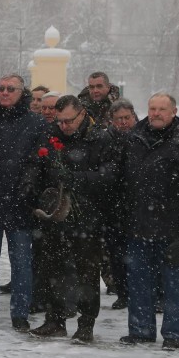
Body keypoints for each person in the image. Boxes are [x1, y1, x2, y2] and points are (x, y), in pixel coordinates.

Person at [24, 95, 117, 344]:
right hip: (55, 214)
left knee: (87, 273)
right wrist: (32, 188)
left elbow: (110, 176)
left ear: (82, 113)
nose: (64, 126)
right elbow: (37, 164)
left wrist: (79, 178)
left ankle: (86, 324)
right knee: (53, 269)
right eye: (60, 121)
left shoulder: (100, 138)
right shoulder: (51, 135)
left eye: (69, 121)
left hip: (88, 216)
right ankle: (55, 319)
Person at [119, 92, 179, 351]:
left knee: (172, 285)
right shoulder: (134, 139)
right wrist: (122, 217)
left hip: (172, 227)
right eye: (152, 108)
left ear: (174, 111)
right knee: (138, 282)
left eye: (162, 109)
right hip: (137, 224)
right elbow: (123, 183)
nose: (156, 113)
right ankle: (141, 330)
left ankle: (173, 333)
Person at [0, 75, 47, 332]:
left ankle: (20, 313)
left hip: (21, 201)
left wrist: (29, 187)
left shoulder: (35, 122)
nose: (5, 93)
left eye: (11, 89)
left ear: (21, 92)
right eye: (1, 88)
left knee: (22, 263)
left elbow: (40, 160)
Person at [105, 99, 138, 311]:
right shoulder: (105, 140)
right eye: (119, 119)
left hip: (138, 205)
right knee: (116, 256)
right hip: (113, 206)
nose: (123, 122)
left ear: (134, 117)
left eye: (127, 118)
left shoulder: (143, 137)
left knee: (141, 256)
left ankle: (149, 294)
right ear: (112, 121)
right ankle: (123, 293)